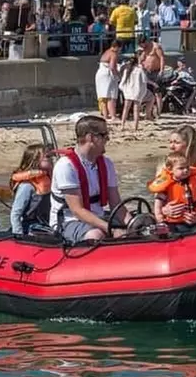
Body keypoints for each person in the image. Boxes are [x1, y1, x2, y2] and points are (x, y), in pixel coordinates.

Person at [49, 115, 121, 243]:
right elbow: (77, 211)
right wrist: (110, 228)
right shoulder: (66, 166)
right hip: (70, 221)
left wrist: (133, 223)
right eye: (104, 135)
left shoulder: (107, 164)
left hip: (99, 217)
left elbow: (116, 203)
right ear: (91, 138)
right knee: (96, 234)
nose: (108, 139)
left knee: (132, 230)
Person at [148, 152, 196, 228]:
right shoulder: (167, 185)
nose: (185, 170)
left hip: (194, 218)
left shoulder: (193, 179)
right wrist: (160, 218)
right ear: (170, 169)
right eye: (181, 168)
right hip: (176, 223)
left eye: (187, 167)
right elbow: (158, 204)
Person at [9, 144, 53, 235]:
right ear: (35, 160)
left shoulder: (48, 179)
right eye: (47, 157)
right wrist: (18, 235)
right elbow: (15, 214)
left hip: (45, 224)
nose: (51, 159)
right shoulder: (27, 185)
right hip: (30, 226)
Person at [95, 39, 121, 120]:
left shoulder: (106, 52)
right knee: (111, 96)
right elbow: (112, 67)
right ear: (117, 47)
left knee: (103, 96)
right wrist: (118, 75)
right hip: (107, 74)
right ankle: (113, 116)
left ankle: (106, 116)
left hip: (99, 74)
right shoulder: (113, 53)